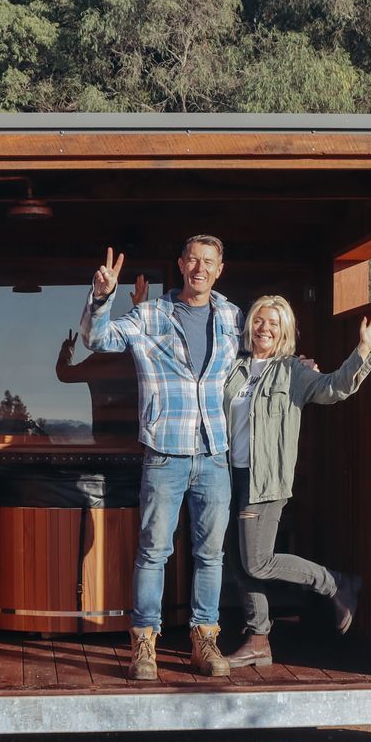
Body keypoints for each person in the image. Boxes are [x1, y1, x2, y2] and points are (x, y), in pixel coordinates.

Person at [82, 237, 241, 680]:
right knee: (154, 551)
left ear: (219, 269)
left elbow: (255, 363)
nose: (200, 268)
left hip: (213, 454)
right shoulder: (150, 314)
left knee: (211, 554)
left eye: (208, 262)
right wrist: (102, 296)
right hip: (165, 454)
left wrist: (295, 364)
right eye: (193, 259)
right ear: (180, 264)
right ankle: (144, 645)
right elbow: (98, 339)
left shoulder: (231, 316)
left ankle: (204, 640)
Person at [221, 296, 371, 668]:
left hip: (265, 481)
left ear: (285, 332)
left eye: (274, 324)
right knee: (238, 560)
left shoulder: (292, 371)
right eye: (260, 321)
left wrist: (362, 349)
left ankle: (335, 582)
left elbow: (335, 387)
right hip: (228, 476)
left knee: (258, 562)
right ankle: (258, 639)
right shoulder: (234, 368)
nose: (265, 328)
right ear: (250, 327)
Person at [55, 274, 146, 441]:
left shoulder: (96, 363)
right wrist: (140, 308)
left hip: (104, 436)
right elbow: (147, 345)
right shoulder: (133, 360)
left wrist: (67, 352)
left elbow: (64, 374)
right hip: (137, 436)